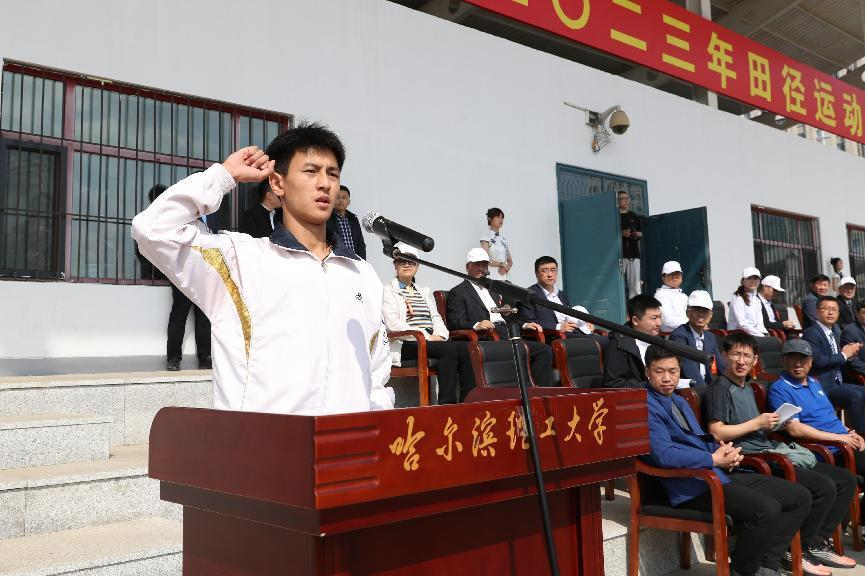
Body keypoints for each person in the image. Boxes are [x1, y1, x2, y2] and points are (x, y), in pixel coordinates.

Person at [132, 122, 394, 415]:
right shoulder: (240, 261)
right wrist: (223, 176)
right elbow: (152, 229)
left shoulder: (362, 275)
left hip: (347, 441)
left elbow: (376, 375)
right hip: (262, 441)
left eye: (332, 173)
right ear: (277, 184)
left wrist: (376, 425)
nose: (325, 183)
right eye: (311, 171)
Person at [642, 345, 812, 576]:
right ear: (647, 372)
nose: (667, 378)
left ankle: (765, 564)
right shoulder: (645, 405)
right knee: (765, 509)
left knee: (799, 496)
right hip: (688, 485)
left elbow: (699, 439)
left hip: (712, 474)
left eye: (672, 371)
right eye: (659, 371)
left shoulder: (678, 400)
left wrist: (724, 451)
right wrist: (712, 459)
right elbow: (664, 455)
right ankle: (742, 571)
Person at [704, 333, 857, 573]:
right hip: (752, 460)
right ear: (724, 356)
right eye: (735, 354)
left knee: (845, 479)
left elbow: (751, 425)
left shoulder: (747, 386)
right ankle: (796, 550)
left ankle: (816, 543)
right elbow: (717, 432)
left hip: (770, 449)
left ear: (755, 360)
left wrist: (772, 424)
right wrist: (757, 423)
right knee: (821, 487)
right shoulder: (721, 389)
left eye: (746, 356)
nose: (741, 361)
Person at [768, 339, 865, 499]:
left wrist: (851, 432)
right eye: (792, 358)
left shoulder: (814, 382)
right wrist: (840, 438)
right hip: (831, 449)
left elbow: (829, 416)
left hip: (845, 441)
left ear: (811, 361)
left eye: (803, 359)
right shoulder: (780, 389)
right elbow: (795, 429)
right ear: (783, 360)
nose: (798, 364)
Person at [445, 248, 553, 387]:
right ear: (468, 266)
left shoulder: (494, 289)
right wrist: (477, 324)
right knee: (514, 350)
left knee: (544, 350)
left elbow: (506, 316)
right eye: (477, 264)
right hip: (488, 336)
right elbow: (455, 321)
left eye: (484, 264)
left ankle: (541, 394)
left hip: (507, 334)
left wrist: (525, 325)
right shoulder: (458, 292)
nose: (481, 268)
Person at [383, 243, 476, 404]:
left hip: (429, 341)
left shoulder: (422, 292)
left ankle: (468, 402)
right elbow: (393, 324)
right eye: (402, 261)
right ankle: (447, 405)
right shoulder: (387, 291)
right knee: (448, 349)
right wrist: (426, 336)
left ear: (417, 266)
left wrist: (440, 335)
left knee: (468, 348)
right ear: (395, 265)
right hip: (406, 342)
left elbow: (435, 317)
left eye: (411, 261)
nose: (407, 265)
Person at [802, 295, 865, 434]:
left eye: (834, 309)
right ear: (817, 312)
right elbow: (817, 360)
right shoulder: (811, 333)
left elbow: (837, 359)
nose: (830, 312)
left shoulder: (833, 333)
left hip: (837, 383)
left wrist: (849, 355)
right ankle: (860, 435)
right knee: (856, 395)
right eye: (826, 308)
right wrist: (844, 355)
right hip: (822, 386)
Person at [520, 256, 606, 345]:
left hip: (575, 332)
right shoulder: (530, 295)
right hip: (557, 336)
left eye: (553, 270)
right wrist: (558, 327)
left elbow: (570, 316)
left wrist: (586, 323)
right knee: (605, 341)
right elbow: (531, 323)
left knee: (611, 339)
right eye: (545, 270)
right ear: (536, 274)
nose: (550, 274)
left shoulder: (561, 294)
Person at [602, 294, 661, 389]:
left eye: (660, 317)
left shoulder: (659, 340)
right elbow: (613, 383)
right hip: (640, 395)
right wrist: (649, 385)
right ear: (635, 320)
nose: (659, 323)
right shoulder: (619, 344)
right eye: (654, 318)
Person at [667, 290, 724, 386]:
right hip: (689, 389)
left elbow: (721, 366)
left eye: (705, 311)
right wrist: (708, 391)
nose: (700, 314)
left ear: (710, 315)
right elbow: (689, 369)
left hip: (708, 387)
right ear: (687, 313)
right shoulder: (679, 336)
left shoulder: (710, 337)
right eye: (696, 310)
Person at [327, 185, 366, 259]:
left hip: (355, 260)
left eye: (344, 197)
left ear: (349, 201)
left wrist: (362, 262)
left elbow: (360, 243)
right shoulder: (327, 219)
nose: (341, 200)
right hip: (337, 261)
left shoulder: (353, 219)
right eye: (338, 197)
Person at [728, 267, 768, 336]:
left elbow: (760, 323)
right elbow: (742, 324)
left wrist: (765, 333)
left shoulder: (757, 300)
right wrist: (760, 335)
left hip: (754, 335)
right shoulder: (737, 298)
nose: (753, 281)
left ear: (759, 281)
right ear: (743, 281)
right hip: (738, 335)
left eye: (755, 278)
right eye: (749, 278)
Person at [618, 190, 642, 299]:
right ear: (618, 201)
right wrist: (621, 233)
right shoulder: (614, 216)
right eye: (622, 198)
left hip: (633, 254)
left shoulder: (634, 216)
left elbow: (641, 233)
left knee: (635, 288)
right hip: (619, 256)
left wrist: (636, 233)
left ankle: (635, 308)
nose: (625, 201)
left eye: (627, 198)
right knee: (617, 285)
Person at [654, 260, 688, 333]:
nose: (675, 276)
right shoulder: (661, 295)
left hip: (689, 332)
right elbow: (668, 321)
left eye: (677, 273)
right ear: (663, 277)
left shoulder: (684, 296)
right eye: (671, 273)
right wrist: (693, 324)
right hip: (672, 335)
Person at [480, 207, 512, 282]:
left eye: (502, 218)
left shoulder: (504, 240)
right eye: (498, 217)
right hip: (492, 274)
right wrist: (501, 264)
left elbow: (510, 261)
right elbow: (485, 259)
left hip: (504, 275)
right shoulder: (486, 237)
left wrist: (506, 268)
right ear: (490, 219)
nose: (501, 220)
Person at [841, 300, 865, 380]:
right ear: (857, 314)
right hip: (858, 375)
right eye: (864, 313)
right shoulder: (850, 331)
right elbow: (853, 361)